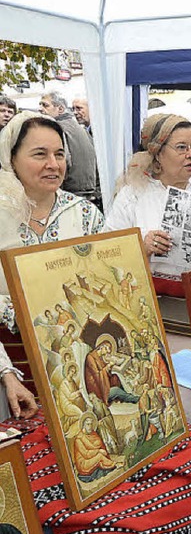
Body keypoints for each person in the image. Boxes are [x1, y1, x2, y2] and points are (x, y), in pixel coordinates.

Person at [0, 111, 104, 421]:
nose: (53, 164)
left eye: (59, 154)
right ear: (11, 158)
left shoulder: (86, 216)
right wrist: (6, 374)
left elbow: (104, 286)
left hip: (79, 364)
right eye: (39, 154)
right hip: (11, 361)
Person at [106, 113, 191, 271]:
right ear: (158, 153)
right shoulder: (132, 195)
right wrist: (143, 248)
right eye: (181, 147)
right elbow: (108, 254)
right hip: (150, 293)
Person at [39, 91, 98, 200]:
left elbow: (63, 161)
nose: (41, 109)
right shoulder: (81, 129)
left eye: (45, 105)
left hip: (71, 194)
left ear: (60, 109)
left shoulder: (57, 128)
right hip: (89, 193)